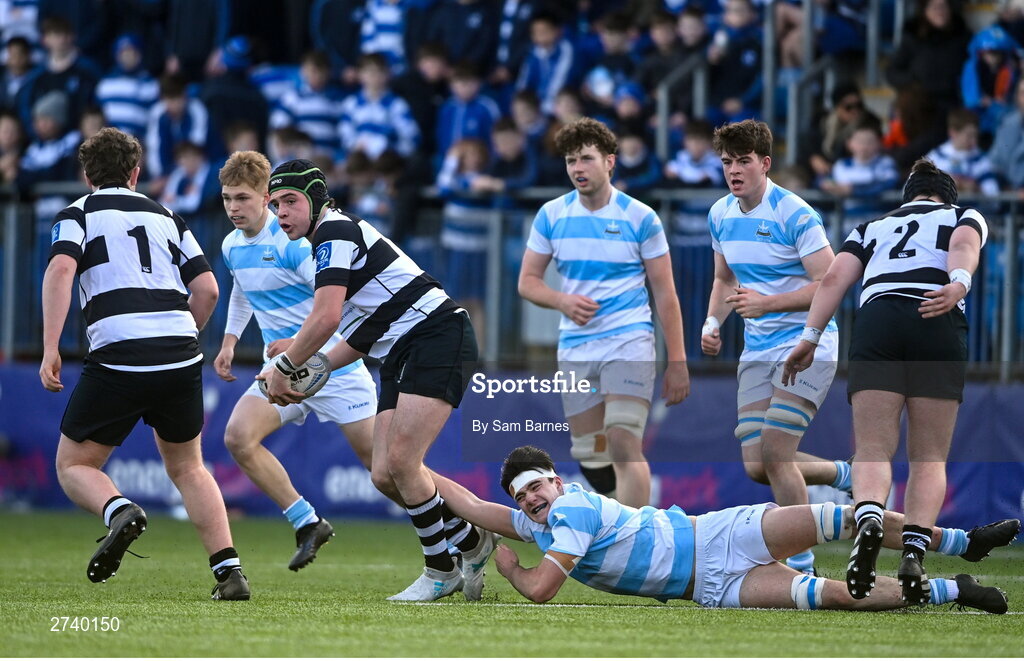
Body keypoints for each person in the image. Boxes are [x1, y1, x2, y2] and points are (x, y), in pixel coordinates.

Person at [258, 158, 497, 601]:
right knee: (385, 474)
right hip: (403, 347)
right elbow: (365, 329)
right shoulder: (326, 243)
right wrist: (321, 364)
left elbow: (327, 317)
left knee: (404, 462)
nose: (281, 213)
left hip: (435, 335)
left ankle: (441, 570)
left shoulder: (334, 232)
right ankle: (470, 540)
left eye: (290, 201)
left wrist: (288, 365)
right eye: (274, 205)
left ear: (315, 199)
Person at [38, 127, 249, 600]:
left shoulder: (77, 214)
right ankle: (230, 574)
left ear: (87, 174)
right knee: (190, 468)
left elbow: (60, 270)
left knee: (74, 465)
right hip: (179, 352)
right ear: (135, 173)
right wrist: (179, 338)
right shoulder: (168, 216)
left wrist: (51, 345)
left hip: (119, 352)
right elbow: (209, 290)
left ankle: (120, 511)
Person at [434, 445, 1016, 612]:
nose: (529, 499)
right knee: (837, 596)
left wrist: (506, 565)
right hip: (709, 588)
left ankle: (964, 543)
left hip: (717, 535)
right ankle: (954, 589)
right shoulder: (542, 520)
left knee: (840, 519)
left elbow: (540, 590)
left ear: (557, 482)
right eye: (521, 496)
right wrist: (410, 467)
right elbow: (470, 502)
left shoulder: (570, 513)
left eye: (536, 486)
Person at [782, 159, 999, 605]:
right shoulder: (962, 214)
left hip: (879, 318)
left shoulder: (872, 226)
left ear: (909, 197)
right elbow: (963, 244)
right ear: (946, 196)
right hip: (934, 313)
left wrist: (809, 337)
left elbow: (834, 279)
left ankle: (870, 517)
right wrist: (958, 282)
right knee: (929, 457)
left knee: (874, 449)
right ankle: (915, 550)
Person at [214, 150, 378, 571]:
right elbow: (242, 291)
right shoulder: (232, 246)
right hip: (282, 374)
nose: (234, 208)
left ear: (267, 197)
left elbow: (335, 310)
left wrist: (294, 342)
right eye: (228, 198)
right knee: (238, 437)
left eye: (244, 199)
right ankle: (307, 522)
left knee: (387, 471)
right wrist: (230, 340)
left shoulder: (293, 245)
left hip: (330, 367)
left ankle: (458, 531)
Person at [701, 119, 852, 576]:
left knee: (776, 451)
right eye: (727, 162)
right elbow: (725, 278)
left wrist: (767, 303)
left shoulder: (795, 213)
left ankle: (801, 564)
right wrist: (712, 321)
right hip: (758, 348)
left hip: (807, 343)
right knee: (756, 465)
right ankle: (842, 474)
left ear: (765, 164)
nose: (734, 170)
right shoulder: (720, 214)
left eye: (744, 161)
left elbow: (830, 281)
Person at [518, 117, 691, 508]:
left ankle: (641, 542)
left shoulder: (640, 217)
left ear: (610, 161)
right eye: (570, 161)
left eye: (586, 159)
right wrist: (562, 301)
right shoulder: (552, 215)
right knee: (589, 452)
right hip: (577, 346)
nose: (577, 168)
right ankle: (625, 518)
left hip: (629, 339)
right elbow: (527, 282)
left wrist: (677, 361)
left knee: (622, 439)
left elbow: (666, 293)